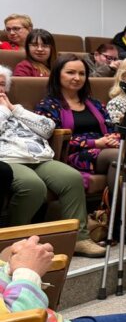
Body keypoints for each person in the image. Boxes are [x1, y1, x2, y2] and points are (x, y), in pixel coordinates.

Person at [0, 66, 105, 257]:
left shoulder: (15, 110)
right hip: (9, 160)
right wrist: (4, 112)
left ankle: (79, 239)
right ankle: (13, 242)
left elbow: (48, 128)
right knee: (32, 186)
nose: (0, 89)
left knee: (71, 178)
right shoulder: (4, 111)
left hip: (40, 157)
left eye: (1, 84)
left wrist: (15, 109)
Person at [35, 55, 119, 189]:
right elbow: (53, 140)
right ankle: (117, 203)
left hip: (103, 149)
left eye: (82, 73)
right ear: (57, 75)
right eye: (70, 72)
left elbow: (112, 127)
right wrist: (95, 143)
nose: (77, 78)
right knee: (118, 156)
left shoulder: (95, 103)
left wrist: (112, 139)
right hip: (72, 154)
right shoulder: (47, 106)